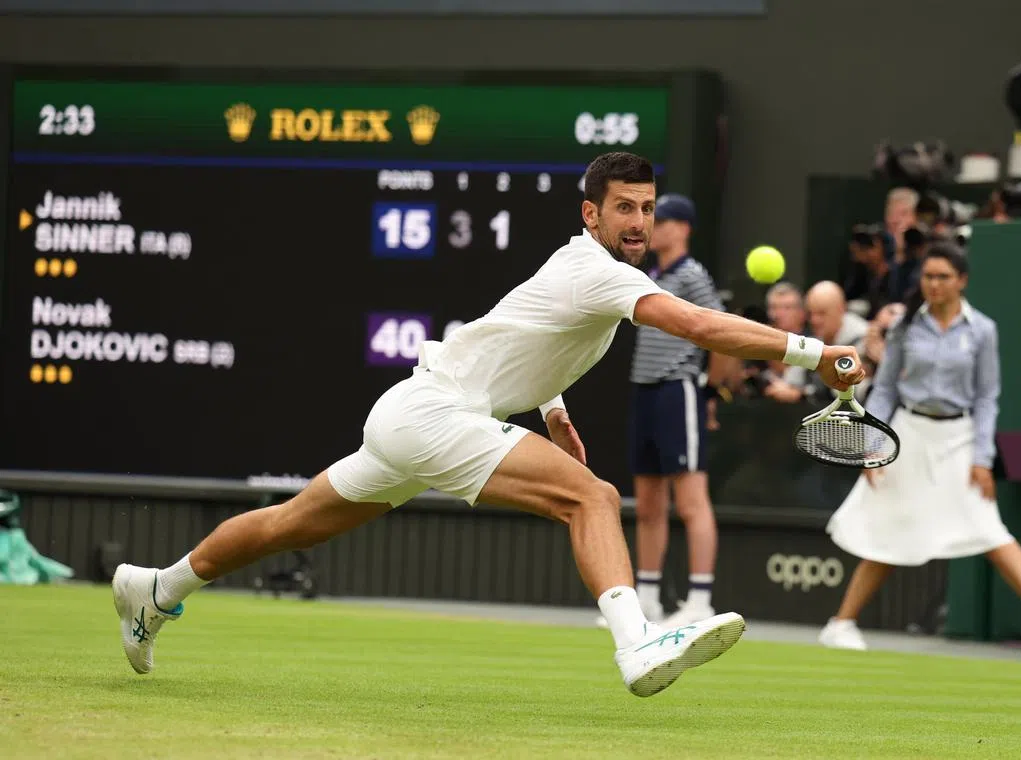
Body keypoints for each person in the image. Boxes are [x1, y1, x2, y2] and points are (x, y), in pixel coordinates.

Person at [112, 151, 865, 698]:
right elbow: (697, 323)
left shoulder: (591, 273)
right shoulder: (598, 271)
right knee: (594, 499)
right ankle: (636, 645)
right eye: (625, 208)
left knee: (292, 525)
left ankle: (154, 588)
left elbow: (524, 339)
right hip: (438, 414)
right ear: (591, 213)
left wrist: (556, 414)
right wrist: (813, 351)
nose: (639, 222)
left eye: (648, 208)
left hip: (411, 414)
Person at [817, 242, 1021, 664]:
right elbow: (886, 389)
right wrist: (872, 442)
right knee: (888, 530)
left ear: (962, 281)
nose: (934, 284)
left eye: (943, 277)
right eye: (928, 276)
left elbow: (988, 398)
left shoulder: (982, 330)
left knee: (989, 529)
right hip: (908, 434)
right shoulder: (904, 327)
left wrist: (982, 458)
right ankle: (841, 624)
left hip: (959, 439)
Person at [618, 192, 738, 628]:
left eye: (661, 219)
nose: (653, 226)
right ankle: (647, 598)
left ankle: (699, 601)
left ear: (682, 228)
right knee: (648, 502)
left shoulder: (692, 276)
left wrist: (709, 393)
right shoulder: (654, 275)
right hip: (645, 390)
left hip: (678, 391)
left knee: (691, 501)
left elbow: (724, 333)